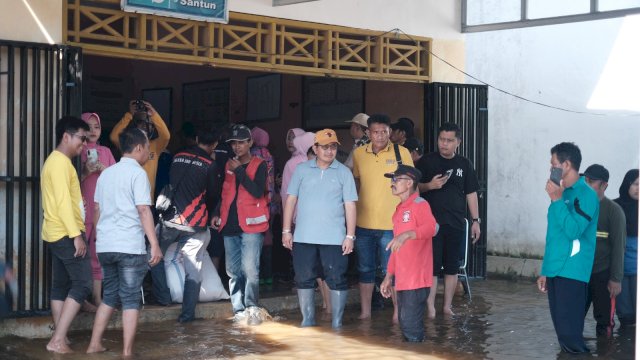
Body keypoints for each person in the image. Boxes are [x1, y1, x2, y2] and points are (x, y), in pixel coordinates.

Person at [87, 128, 163, 356]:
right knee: (130, 299)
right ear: (138, 148)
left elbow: (97, 209)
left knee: (109, 296)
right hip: (129, 246)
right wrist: (155, 244)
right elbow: (143, 210)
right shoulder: (138, 174)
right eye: (148, 148)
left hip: (106, 246)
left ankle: (93, 345)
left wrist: (100, 237)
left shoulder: (107, 174)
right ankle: (127, 352)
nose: (149, 153)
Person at [282, 129, 357, 328]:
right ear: (315, 148)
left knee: (337, 279)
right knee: (304, 279)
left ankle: (337, 323)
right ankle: (307, 321)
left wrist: (350, 236)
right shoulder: (301, 170)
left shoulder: (344, 172)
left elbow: (350, 205)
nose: (329, 151)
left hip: (334, 238)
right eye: (324, 147)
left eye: (333, 147)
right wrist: (286, 230)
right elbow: (291, 200)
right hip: (304, 236)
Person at [151, 129, 220, 322]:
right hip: (195, 223)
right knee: (193, 266)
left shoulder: (178, 155)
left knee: (154, 255)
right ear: (215, 144)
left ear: (197, 138)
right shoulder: (211, 165)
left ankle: (163, 297)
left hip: (170, 219)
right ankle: (187, 316)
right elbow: (213, 195)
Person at [536, 142, 599, 354]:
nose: (550, 169)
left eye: (553, 164)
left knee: (571, 336)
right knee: (563, 334)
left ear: (566, 164)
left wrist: (557, 200)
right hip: (555, 270)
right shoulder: (562, 193)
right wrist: (545, 270)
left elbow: (574, 231)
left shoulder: (586, 195)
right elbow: (553, 235)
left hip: (573, 271)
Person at [352, 114, 413, 322]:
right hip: (363, 223)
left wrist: (411, 217)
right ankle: (366, 312)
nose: (380, 136)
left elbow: (411, 186)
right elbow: (356, 184)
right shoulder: (359, 154)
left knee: (393, 270)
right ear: (368, 133)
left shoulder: (402, 152)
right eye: (375, 132)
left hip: (392, 225)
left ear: (390, 132)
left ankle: (397, 313)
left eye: (384, 132)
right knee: (365, 269)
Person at [41, 116, 92, 353]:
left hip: (55, 232)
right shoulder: (60, 163)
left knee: (60, 286)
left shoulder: (55, 162)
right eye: (82, 139)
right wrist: (76, 235)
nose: (84, 144)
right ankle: (58, 340)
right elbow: (63, 203)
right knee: (82, 284)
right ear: (66, 136)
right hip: (65, 233)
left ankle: (62, 338)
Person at [418, 122, 481, 318]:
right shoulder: (426, 162)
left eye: (449, 140)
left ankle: (447, 306)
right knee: (432, 268)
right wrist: (430, 185)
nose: (444, 144)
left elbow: (471, 193)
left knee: (452, 267)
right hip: (431, 224)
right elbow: (412, 187)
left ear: (458, 142)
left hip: (456, 223)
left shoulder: (464, 164)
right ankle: (430, 307)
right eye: (441, 139)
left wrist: (476, 220)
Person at [211, 124, 269, 326]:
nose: (237, 147)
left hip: (252, 225)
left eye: (241, 142)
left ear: (250, 143)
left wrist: (240, 172)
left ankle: (252, 307)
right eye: (233, 143)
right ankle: (238, 309)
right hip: (229, 225)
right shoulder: (229, 165)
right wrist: (217, 212)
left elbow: (257, 191)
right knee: (233, 271)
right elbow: (225, 192)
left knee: (250, 270)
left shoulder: (260, 164)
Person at [380, 165, 437, 342]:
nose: (392, 183)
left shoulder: (420, 204)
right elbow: (396, 248)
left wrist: (408, 234)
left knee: (410, 326)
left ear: (409, 182)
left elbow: (432, 228)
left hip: (417, 279)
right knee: (405, 323)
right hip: (403, 279)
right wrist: (388, 276)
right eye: (392, 180)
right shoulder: (398, 210)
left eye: (396, 179)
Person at [582, 164, 626, 337]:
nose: (586, 184)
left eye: (591, 181)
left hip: (603, 274)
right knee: (573, 317)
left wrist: (615, 279)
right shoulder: (578, 206)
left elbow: (618, 247)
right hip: (581, 274)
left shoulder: (614, 211)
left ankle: (605, 352)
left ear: (604, 186)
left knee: (604, 323)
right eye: (585, 180)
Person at [79, 112, 116, 308]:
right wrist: (85, 171)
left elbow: (116, 181)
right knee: (79, 253)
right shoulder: (78, 150)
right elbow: (71, 183)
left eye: (97, 126)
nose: (93, 130)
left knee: (97, 254)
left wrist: (104, 169)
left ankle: (96, 297)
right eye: (89, 126)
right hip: (82, 211)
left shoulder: (106, 152)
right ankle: (79, 298)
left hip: (101, 211)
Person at [110, 100, 170, 198]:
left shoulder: (155, 145)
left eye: (149, 124)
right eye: (141, 123)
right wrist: (129, 114)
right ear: (134, 125)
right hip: (128, 199)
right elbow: (114, 137)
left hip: (147, 199)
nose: (145, 126)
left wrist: (154, 115)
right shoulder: (128, 143)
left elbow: (166, 136)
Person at [250, 127, 277, 286]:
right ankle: (268, 275)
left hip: (256, 202)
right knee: (268, 238)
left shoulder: (254, 154)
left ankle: (258, 275)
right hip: (270, 201)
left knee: (256, 239)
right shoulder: (269, 155)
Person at [614, 169, 638, 327]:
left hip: (638, 270)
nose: (639, 188)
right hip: (620, 270)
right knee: (626, 316)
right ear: (627, 185)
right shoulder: (615, 207)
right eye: (636, 184)